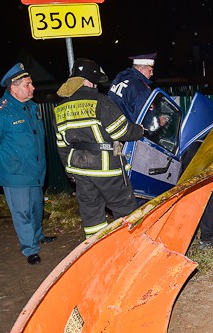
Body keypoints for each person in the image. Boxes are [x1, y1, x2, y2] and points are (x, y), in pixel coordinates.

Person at [53, 58, 146, 238]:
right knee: (125, 210)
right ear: (89, 81)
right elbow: (122, 131)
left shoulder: (60, 108)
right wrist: (140, 130)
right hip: (107, 169)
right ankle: (129, 247)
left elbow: (61, 145)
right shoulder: (101, 101)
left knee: (91, 215)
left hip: (79, 169)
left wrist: (69, 171)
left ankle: (97, 249)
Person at [0, 63, 56, 266]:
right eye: (28, 85)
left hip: (35, 170)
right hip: (14, 173)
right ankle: (30, 249)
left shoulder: (31, 107)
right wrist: (1, 164)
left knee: (37, 207)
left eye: (31, 84)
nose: (33, 88)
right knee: (22, 212)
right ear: (14, 88)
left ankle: (38, 235)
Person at [108, 53, 158, 123]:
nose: (152, 74)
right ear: (141, 70)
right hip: (128, 130)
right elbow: (145, 119)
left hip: (111, 124)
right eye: (150, 70)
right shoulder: (140, 88)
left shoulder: (120, 77)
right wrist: (158, 121)